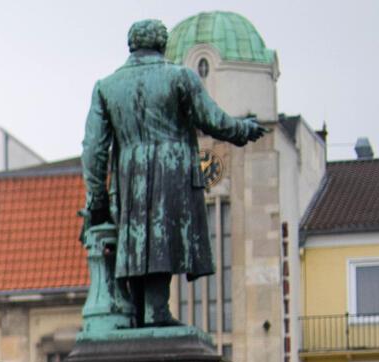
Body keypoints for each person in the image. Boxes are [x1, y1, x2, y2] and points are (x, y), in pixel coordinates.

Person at [80, 19, 266, 328]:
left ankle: (143, 312)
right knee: (162, 234)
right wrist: (243, 129)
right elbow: (213, 120)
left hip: (130, 172)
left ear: (131, 46)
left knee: (138, 237)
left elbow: (93, 149)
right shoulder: (179, 77)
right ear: (162, 45)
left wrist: (97, 198)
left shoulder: (106, 86)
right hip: (172, 166)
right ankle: (156, 311)